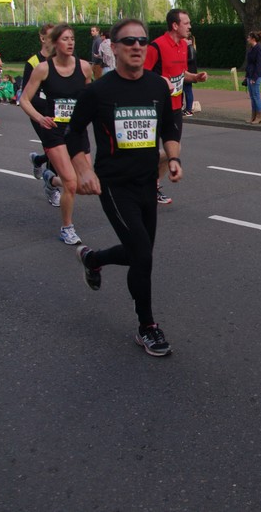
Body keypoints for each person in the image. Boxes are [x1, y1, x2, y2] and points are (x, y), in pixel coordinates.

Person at [66, 18, 182, 357]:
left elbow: (170, 126)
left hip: (147, 182)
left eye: (142, 41)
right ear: (113, 47)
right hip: (114, 185)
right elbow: (73, 133)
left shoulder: (157, 86)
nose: (137, 46)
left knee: (138, 253)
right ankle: (147, 327)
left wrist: (173, 158)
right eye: (129, 41)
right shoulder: (98, 91)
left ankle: (93, 258)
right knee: (142, 255)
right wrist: (84, 170)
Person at [19, 23, 93, 245]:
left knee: (85, 184)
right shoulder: (43, 68)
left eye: (72, 38)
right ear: (54, 43)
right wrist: (40, 118)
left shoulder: (84, 67)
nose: (70, 43)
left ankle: (50, 179)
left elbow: (90, 97)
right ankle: (67, 228)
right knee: (70, 182)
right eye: (65, 39)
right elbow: (24, 99)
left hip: (76, 130)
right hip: (54, 130)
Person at [144, 8, 208, 204]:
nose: (190, 26)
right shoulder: (156, 46)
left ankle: (152, 184)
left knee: (175, 149)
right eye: (186, 23)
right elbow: (142, 74)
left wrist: (195, 77)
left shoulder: (183, 45)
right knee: (149, 151)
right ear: (175, 25)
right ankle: (143, 177)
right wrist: (161, 80)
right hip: (155, 107)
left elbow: (181, 73)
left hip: (175, 107)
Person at [23, 23, 55, 186]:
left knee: (62, 148)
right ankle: (52, 185)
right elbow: (27, 96)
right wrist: (48, 105)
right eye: (52, 36)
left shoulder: (62, 59)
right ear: (43, 39)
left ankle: (38, 160)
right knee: (54, 148)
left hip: (60, 112)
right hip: (39, 113)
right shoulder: (33, 62)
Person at [243, 30, 261, 125]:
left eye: (249, 37)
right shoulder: (251, 48)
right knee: (252, 97)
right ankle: (253, 116)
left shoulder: (258, 49)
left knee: (256, 96)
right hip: (250, 75)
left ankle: (259, 116)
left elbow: (259, 65)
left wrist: (254, 78)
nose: (247, 39)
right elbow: (249, 64)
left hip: (256, 76)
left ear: (253, 39)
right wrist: (247, 76)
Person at [183, 33, 197, 116]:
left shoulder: (189, 47)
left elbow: (191, 58)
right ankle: (187, 108)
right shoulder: (188, 47)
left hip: (189, 71)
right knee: (186, 90)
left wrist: (181, 60)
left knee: (188, 90)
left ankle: (189, 109)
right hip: (188, 71)